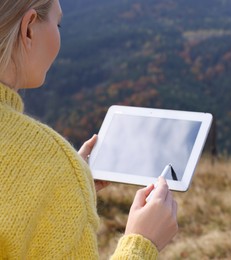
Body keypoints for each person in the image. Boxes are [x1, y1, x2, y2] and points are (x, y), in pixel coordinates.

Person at [0, 0, 178, 259]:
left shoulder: (58, 170)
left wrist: (67, 192)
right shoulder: (55, 164)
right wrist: (142, 242)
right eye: (57, 22)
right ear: (28, 28)